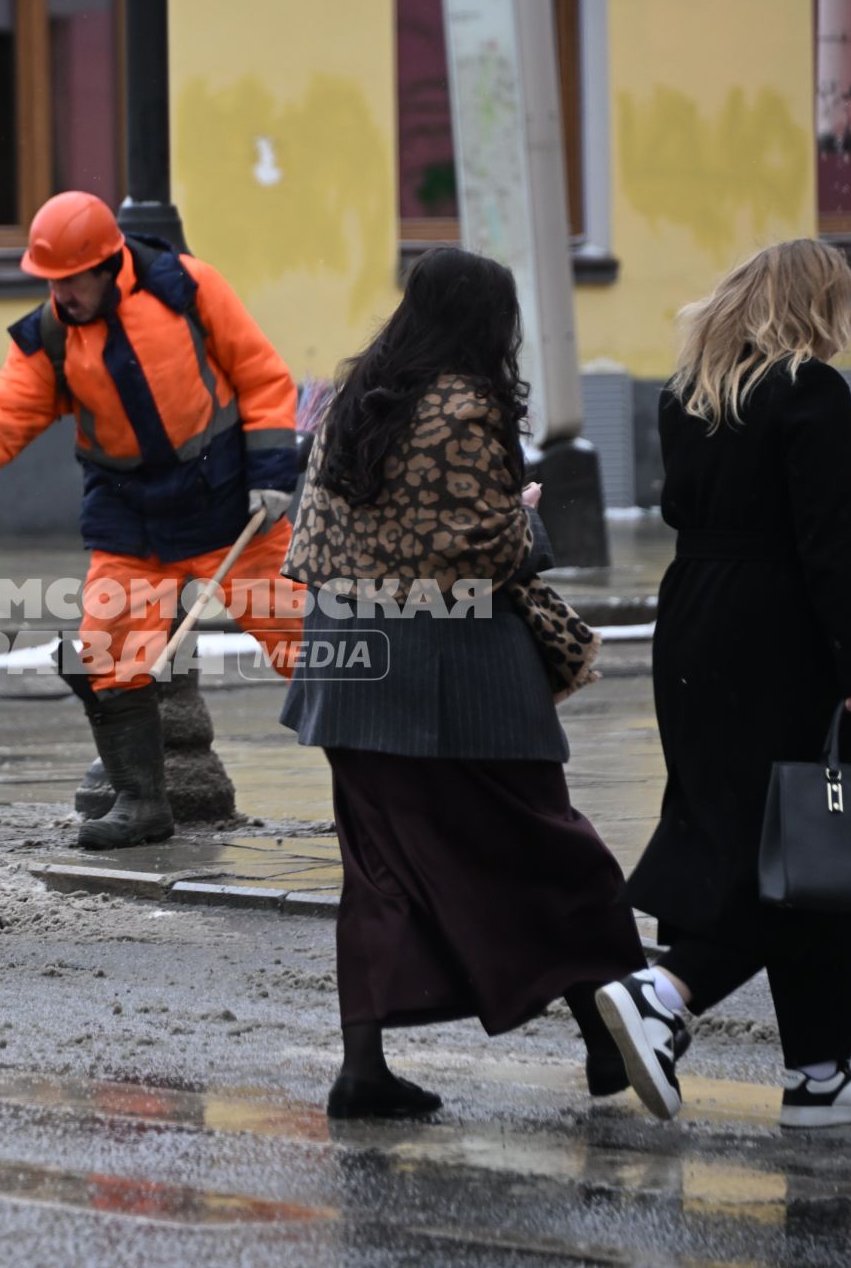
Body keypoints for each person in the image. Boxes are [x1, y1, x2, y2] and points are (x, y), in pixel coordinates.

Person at [281, 247, 645, 1119]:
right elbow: (484, 550)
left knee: (378, 873)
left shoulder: (354, 398)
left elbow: (324, 536)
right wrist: (526, 516)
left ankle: (363, 1068)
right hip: (456, 681)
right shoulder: (462, 406)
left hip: (349, 671)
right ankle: (610, 1035)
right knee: (549, 848)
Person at [0, 192, 306, 850]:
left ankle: (378, 781)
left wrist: (271, 477)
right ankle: (140, 802)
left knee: (307, 643)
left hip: (227, 500)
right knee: (107, 655)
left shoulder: (187, 287)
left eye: (70, 281)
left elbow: (262, 375)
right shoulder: (50, 340)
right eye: (50, 282)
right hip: (130, 518)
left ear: (108, 265)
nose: (60, 296)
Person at [597, 239, 851, 1129]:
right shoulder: (811, 396)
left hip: (695, 622)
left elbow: (684, 515)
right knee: (789, 848)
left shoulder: (692, 396)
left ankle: (819, 1072)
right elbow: (833, 547)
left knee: (790, 846)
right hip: (782, 638)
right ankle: (667, 994)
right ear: (817, 306)